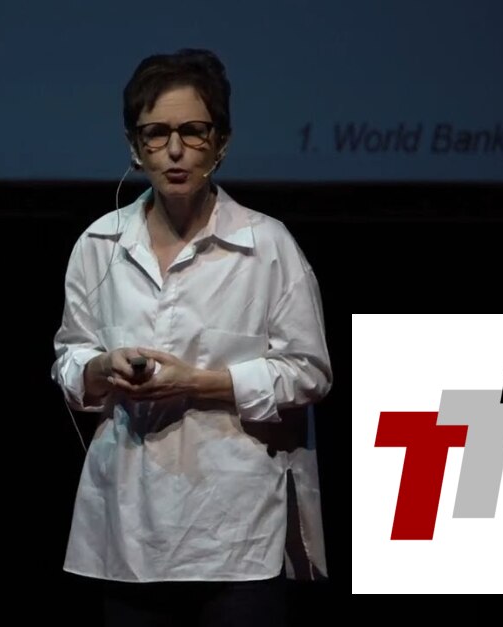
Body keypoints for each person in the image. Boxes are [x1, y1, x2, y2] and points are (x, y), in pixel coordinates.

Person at [50, 48, 333, 627]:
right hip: (128, 530)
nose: (174, 150)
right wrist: (102, 367)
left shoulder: (267, 245)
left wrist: (200, 383)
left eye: (192, 132)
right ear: (135, 147)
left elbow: (309, 372)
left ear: (220, 142)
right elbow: (69, 358)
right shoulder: (99, 245)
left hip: (235, 532)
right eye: (156, 134)